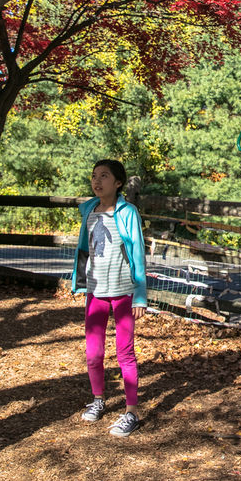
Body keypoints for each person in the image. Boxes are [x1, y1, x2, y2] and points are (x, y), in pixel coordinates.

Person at [69, 159, 148, 438]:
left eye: (104, 176)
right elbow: (84, 250)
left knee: (125, 353)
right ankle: (98, 399)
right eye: (94, 176)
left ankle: (131, 412)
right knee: (94, 354)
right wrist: (80, 284)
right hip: (96, 293)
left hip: (124, 293)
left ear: (117, 183)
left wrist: (140, 296)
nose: (97, 181)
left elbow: (137, 253)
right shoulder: (89, 211)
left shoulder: (127, 213)